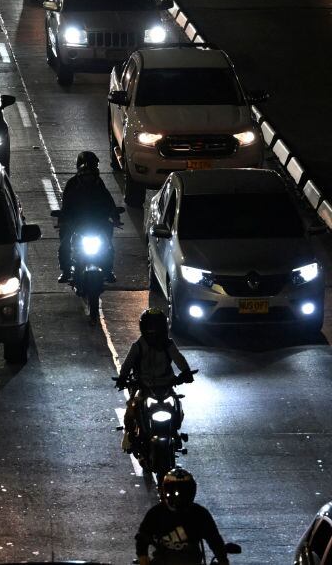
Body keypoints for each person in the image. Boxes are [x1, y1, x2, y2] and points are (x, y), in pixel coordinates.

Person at [117, 308, 194, 453]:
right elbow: (127, 364)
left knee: (178, 407)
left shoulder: (168, 345)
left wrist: (186, 372)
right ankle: (129, 434)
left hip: (166, 386)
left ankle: (174, 432)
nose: (154, 332)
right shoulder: (138, 346)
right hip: (144, 387)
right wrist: (122, 378)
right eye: (151, 328)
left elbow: (179, 359)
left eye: (157, 328)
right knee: (131, 410)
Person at [135, 468, 230, 565]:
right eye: (173, 490)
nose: (179, 496)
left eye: (184, 491)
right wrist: (142, 556)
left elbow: (214, 539)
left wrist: (223, 559)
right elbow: (143, 536)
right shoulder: (156, 513)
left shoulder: (200, 514)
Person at [57, 150, 119, 283]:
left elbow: (108, 200)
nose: (88, 177)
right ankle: (66, 270)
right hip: (77, 223)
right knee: (65, 243)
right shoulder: (72, 184)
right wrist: (63, 219)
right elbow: (66, 204)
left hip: (97, 222)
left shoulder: (99, 184)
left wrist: (115, 216)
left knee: (108, 244)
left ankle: (108, 270)